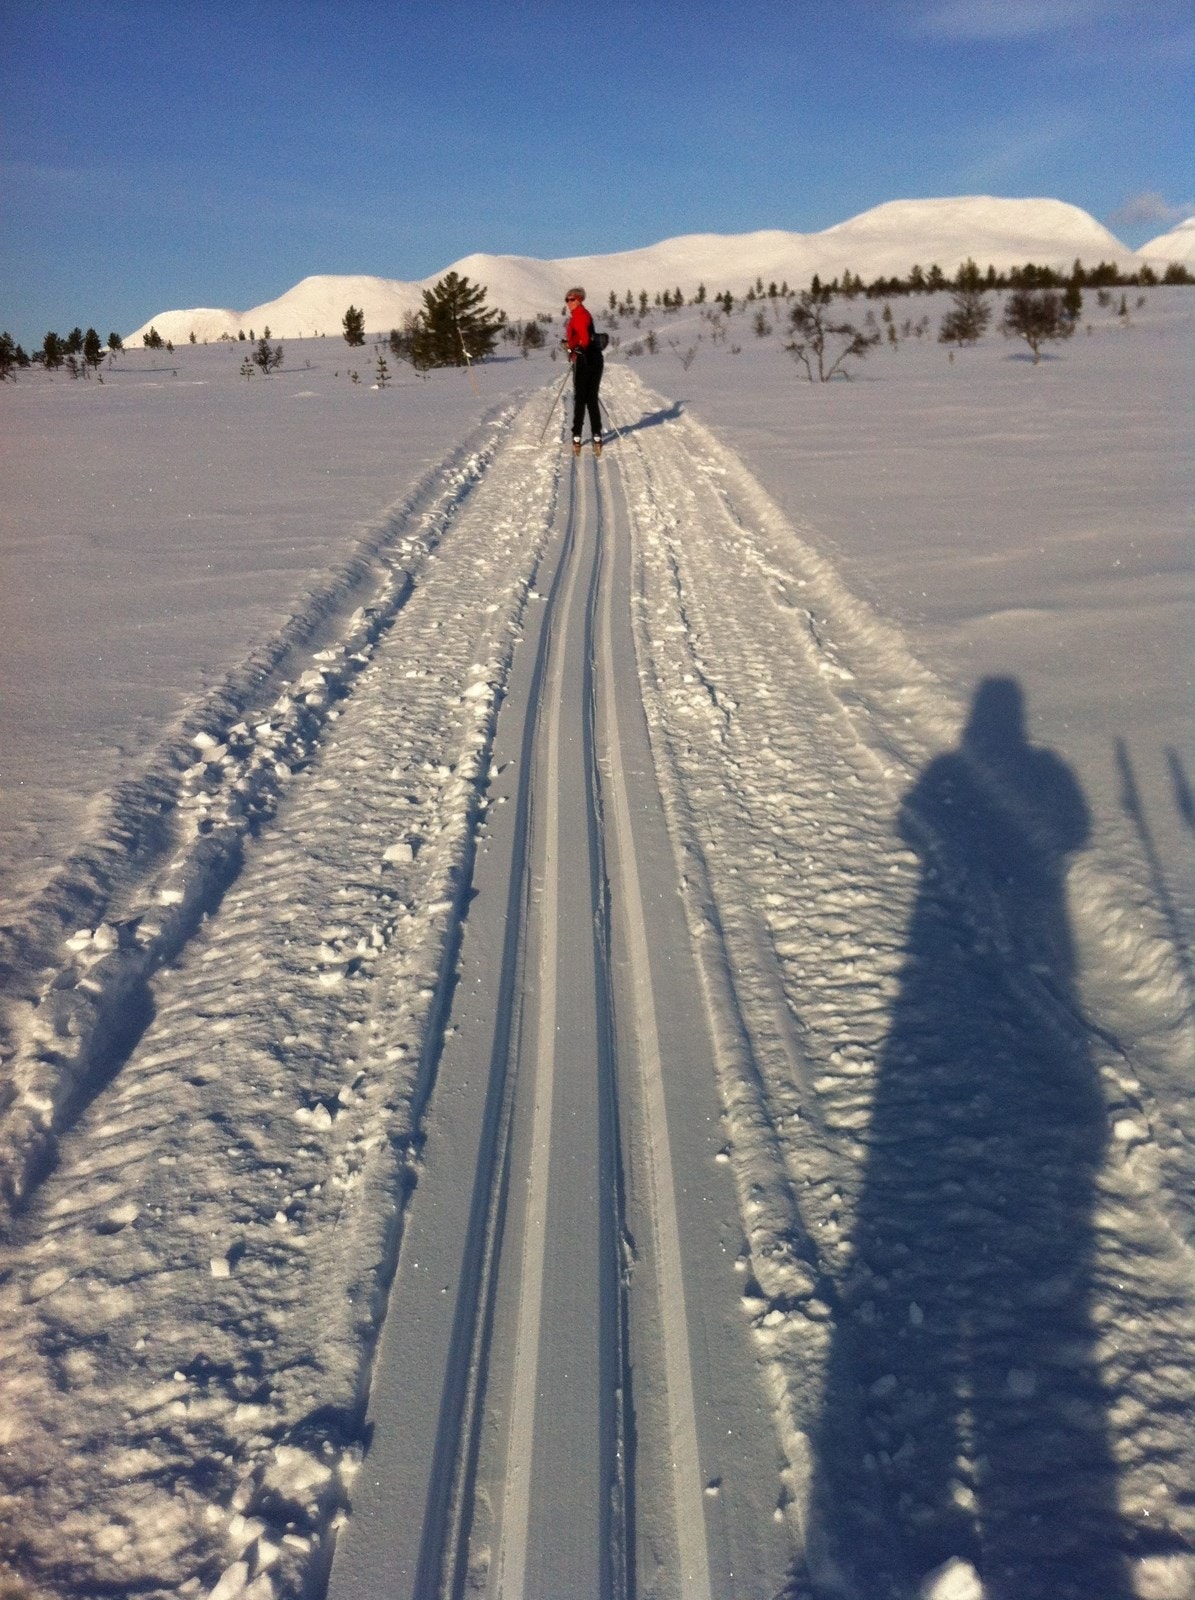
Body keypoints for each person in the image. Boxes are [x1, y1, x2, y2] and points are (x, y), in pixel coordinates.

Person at [563, 286, 603, 456]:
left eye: (571, 299)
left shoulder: (579, 316)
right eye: (567, 300)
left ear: (579, 300)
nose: (568, 303)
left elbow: (584, 339)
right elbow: (581, 337)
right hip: (595, 360)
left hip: (584, 361)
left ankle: (577, 437)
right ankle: (596, 436)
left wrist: (577, 348)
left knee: (580, 399)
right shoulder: (584, 315)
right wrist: (570, 344)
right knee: (592, 398)